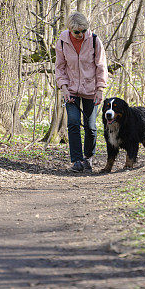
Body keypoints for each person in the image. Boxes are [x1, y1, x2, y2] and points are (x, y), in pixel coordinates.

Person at [54, 11, 108, 172]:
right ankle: (77, 161)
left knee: (91, 127)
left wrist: (100, 89)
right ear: (70, 30)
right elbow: (59, 67)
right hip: (70, 90)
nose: (80, 35)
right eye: (76, 32)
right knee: (73, 123)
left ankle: (88, 158)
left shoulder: (94, 41)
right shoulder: (62, 42)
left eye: (83, 31)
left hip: (92, 90)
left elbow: (101, 66)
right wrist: (63, 88)